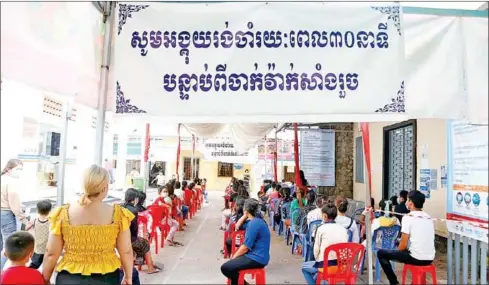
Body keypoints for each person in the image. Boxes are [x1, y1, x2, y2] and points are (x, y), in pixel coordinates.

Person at [42, 165, 134, 284]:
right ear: (105, 188)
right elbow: (125, 251)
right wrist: (128, 276)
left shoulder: (62, 213)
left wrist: (46, 279)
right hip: (106, 278)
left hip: (69, 278)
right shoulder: (118, 214)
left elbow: (51, 253)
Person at [377, 190, 435, 285]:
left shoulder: (408, 217)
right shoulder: (428, 217)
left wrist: (397, 252)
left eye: (407, 200)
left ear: (411, 202)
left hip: (416, 257)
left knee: (381, 253)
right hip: (430, 257)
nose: (406, 202)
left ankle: (393, 282)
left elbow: (403, 244)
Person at [221, 198, 270, 285]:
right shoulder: (258, 221)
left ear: (246, 210)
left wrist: (234, 257)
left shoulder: (254, 223)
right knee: (231, 267)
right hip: (258, 256)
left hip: (256, 258)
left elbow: (245, 247)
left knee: (226, 267)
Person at [301, 201, 349, 285]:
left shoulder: (320, 229)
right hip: (342, 266)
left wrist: (319, 260)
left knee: (304, 267)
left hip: (325, 267)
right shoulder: (343, 229)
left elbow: (316, 251)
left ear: (325, 216)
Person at [122, 188, 161, 274]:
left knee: (139, 243)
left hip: (119, 239)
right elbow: (134, 228)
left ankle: (138, 259)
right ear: (135, 198)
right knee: (145, 243)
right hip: (129, 239)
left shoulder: (121, 207)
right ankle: (150, 267)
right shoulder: (134, 210)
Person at [1, 159, 31, 270]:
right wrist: (24, 219)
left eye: (21, 169)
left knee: (1, 244)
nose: (20, 171)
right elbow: (14, 204)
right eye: (18, 169)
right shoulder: (11, 182)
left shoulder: (2, 179)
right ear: (9, 169)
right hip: (6, 214)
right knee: (8, 245)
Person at [25, 200, 52, 269]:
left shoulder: (35, 220)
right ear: (50, 210)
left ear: (37, 210)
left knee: (34, 265)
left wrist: (29, 224)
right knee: (48, 266)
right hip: (48, 248)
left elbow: (26, 228)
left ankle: (28, 275)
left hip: (38, 248)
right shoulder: (51, 221)